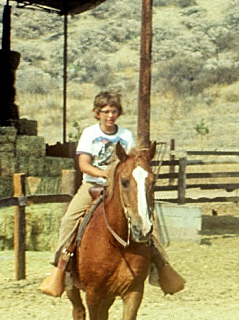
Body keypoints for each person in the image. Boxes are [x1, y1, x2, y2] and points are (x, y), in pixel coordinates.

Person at [38, 90, 184, 297]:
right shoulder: (89, 133)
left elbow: (132, 162)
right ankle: (60, 268)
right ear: (97, 113)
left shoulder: (125, 135)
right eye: (105, 111)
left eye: (114, 111)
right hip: (92, 186)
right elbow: (83, 164)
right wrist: (105, 174)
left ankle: (161, 266)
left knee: (147, 220)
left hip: (121, 188)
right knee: (69, 220)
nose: (110, 115)